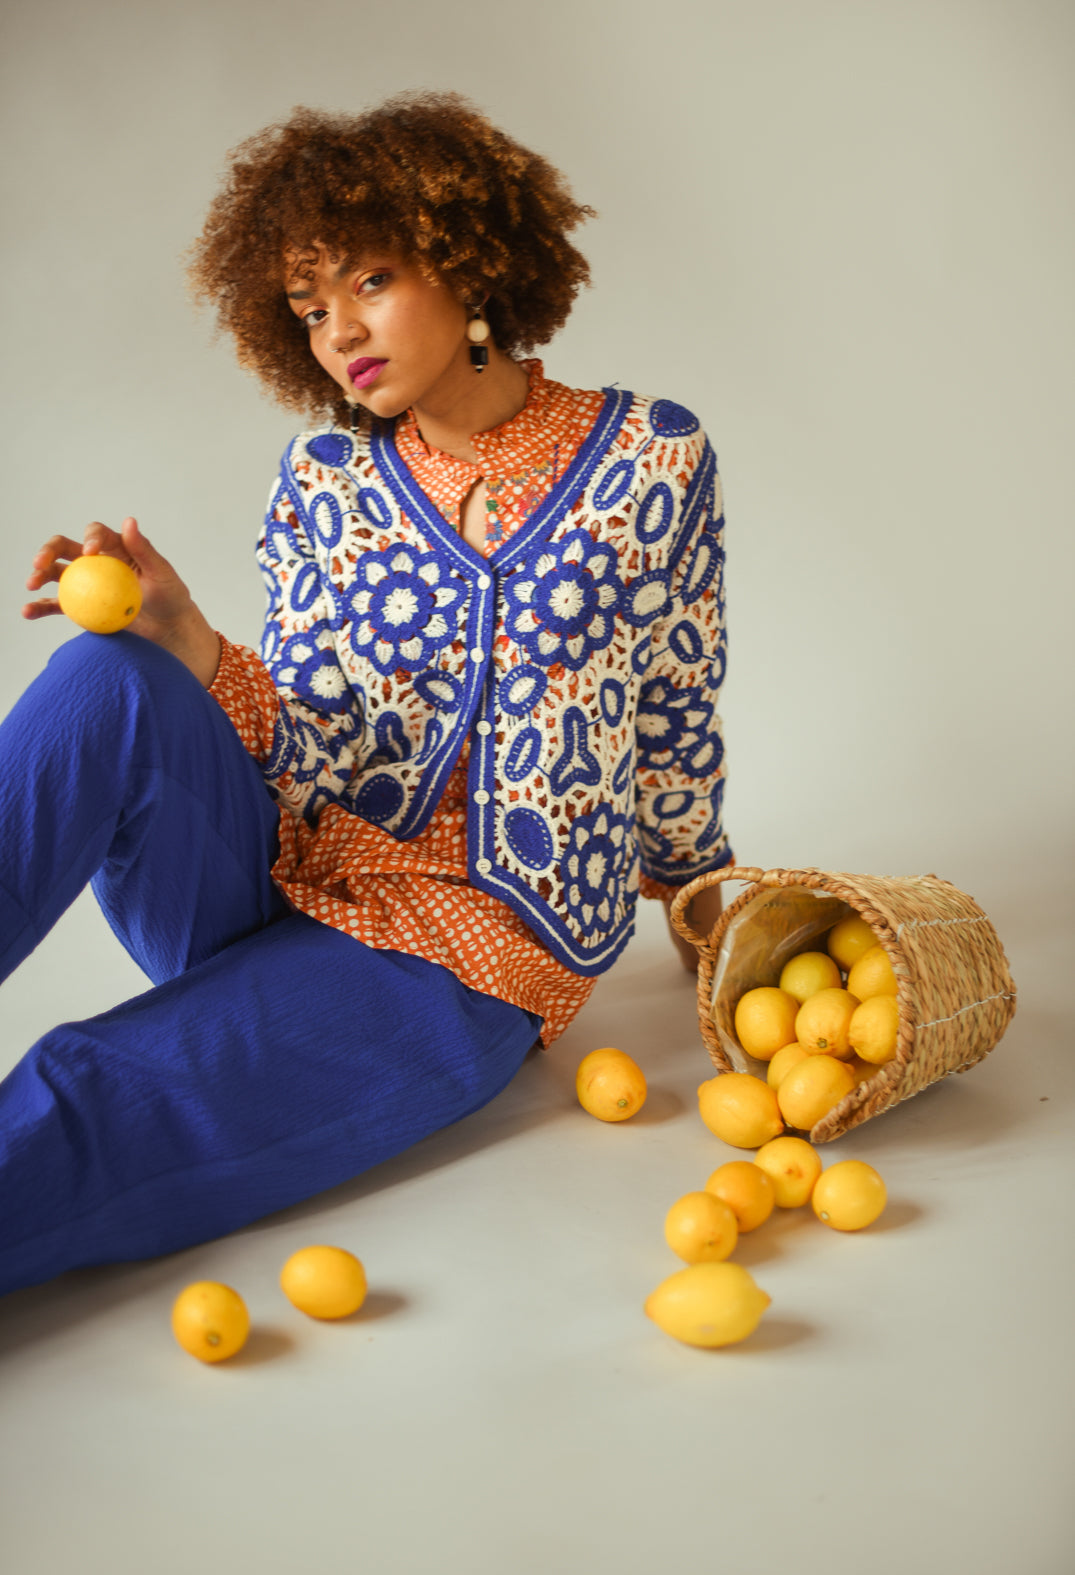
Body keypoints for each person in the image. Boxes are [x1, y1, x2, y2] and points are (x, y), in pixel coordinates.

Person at [0, 92, 730, 1299]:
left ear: (469, 258)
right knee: (106, 669)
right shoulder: (324, 479)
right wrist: (184, 636)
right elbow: (310, 740)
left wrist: (700, 888)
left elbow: (675, 700)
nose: (338, 330)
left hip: (471, 957)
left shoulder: (652, 457)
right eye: (308, 308)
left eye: (369, 281)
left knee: (94, 1089)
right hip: (288, 875)